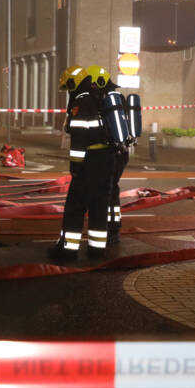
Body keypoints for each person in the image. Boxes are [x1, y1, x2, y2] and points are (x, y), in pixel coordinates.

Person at [48, 66, 116, 258]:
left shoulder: (81, 102)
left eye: (69, 86)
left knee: (75, 207)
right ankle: (97, 249)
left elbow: (79, 139)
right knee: (99, 206)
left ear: (74, 83)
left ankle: (68, 251)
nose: (69, 91)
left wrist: (75, 166)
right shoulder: (99, 97)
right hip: (106, 160)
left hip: (89, 163)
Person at [103, 78, 130, 244]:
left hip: (111, 152)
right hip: (123, 152)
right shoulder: (121, 100)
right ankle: (115, 224)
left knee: (108, 190)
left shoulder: (105, 103)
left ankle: (110, 227)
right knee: (113, 189)